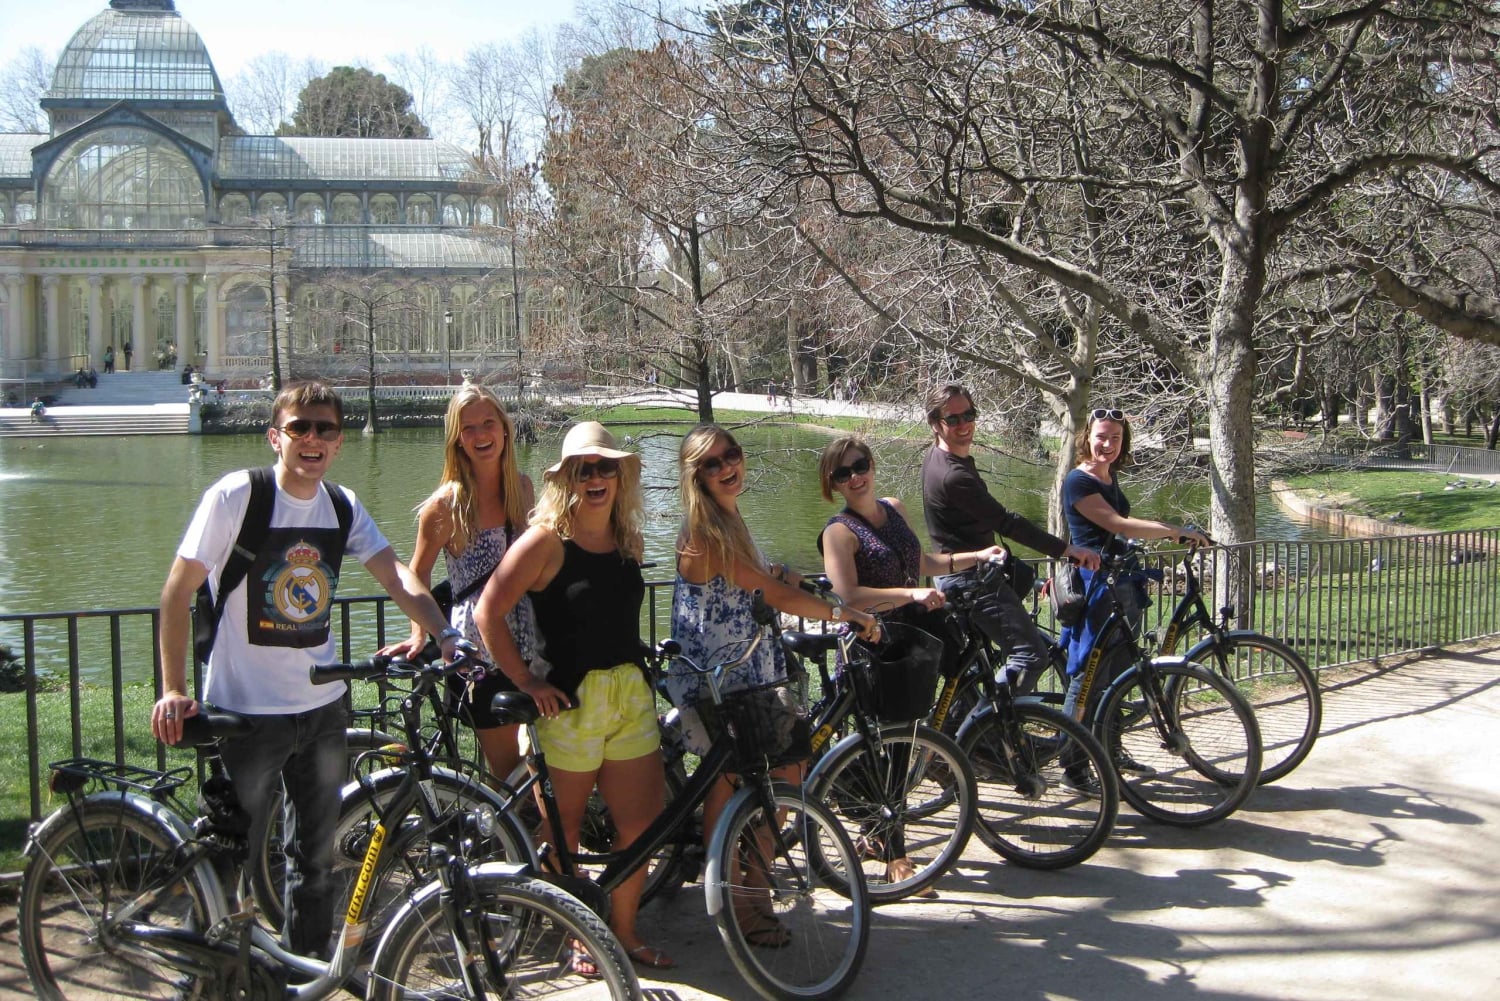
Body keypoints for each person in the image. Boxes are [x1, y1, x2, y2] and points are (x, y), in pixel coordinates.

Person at [152, 380, 458, 960]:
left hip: (320, 711)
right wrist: (173, 689)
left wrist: (442, 631)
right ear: (276, 436)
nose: (313, 439)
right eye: (300, 427)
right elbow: (175, 594)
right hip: (243, 714)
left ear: (338, 442)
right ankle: (204, 978)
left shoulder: (341, 506)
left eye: (325, 430)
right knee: (226, 855)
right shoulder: (236, 496)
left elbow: (395, 575)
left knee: (315, 861)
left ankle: (303, 974)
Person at [473, 421, 672, 972]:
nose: (596, 478)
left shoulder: (626, 536)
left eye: (606, 467)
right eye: (584, 469)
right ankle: (579, 934)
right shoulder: (543, 541)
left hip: (629, 695)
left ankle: (624, 931)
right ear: (567, 480)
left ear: (620, 476)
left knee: (643, 822)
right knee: (564, 826)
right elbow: (488, 611)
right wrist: (527, 682)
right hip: (571, 704)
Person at [672, 425, 880, 930]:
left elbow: (769, 577)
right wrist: (840, 614)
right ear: (695, 476)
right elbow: (766, 591)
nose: (726, 468)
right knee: (739, 780)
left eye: (731, 455)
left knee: (788, 772)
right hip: (720, 683)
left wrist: (797, 578)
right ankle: (740, 898)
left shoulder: (729, 519)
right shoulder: (703, 531)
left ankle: (748, 886)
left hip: (751, 675)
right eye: (711, 464)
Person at [816, 433, 990, 891]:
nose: (854, 477)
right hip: (869, 647)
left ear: (872, 465)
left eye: (860, 465)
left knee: (904, 742)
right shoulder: (839, 531)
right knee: (888, 751)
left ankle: (877, 836)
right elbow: (848, 595)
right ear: (832, 483)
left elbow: (922, 560)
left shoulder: (894, 509)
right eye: (842, 473)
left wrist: (975, 557)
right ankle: (896, 855)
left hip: (910, 641)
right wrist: (909, 593)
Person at [921, 382, 1101, 692]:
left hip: (962, 576)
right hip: (972, 581)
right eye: (953, 419)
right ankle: (987, 723)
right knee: (1031, 656)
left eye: (969, 415)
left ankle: (978, 727)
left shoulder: (942, 458)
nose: (964, 425)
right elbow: (1007, 522)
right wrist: (1067, 550)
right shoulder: (953, 475)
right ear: (936, 424)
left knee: (972, 667)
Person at [405, 384, 536, 782]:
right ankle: (504, 843)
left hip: (529, 640)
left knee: (540, 762)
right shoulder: (445, 506)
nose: (480, 435)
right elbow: (416, 573)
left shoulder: (523, 488)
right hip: (478, 650)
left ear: (505, 429)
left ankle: (540, 841)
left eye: (488, 423)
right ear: (456, 439)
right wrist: (420, 634)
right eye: (468, 428)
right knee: (505, 770)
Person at [1058, 407, 1210, 720]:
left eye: (1116, 437)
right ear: (1088, 438)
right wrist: (1175, 532)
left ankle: (1111, 753)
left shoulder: (1108, 476)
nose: (1108, 444)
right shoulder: (1078, 480)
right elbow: (1119, 524)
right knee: (1090, 675)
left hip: (1122, 581)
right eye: (1101, 437)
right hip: (1095, 585)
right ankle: (1072, 759)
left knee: (1120, 675)